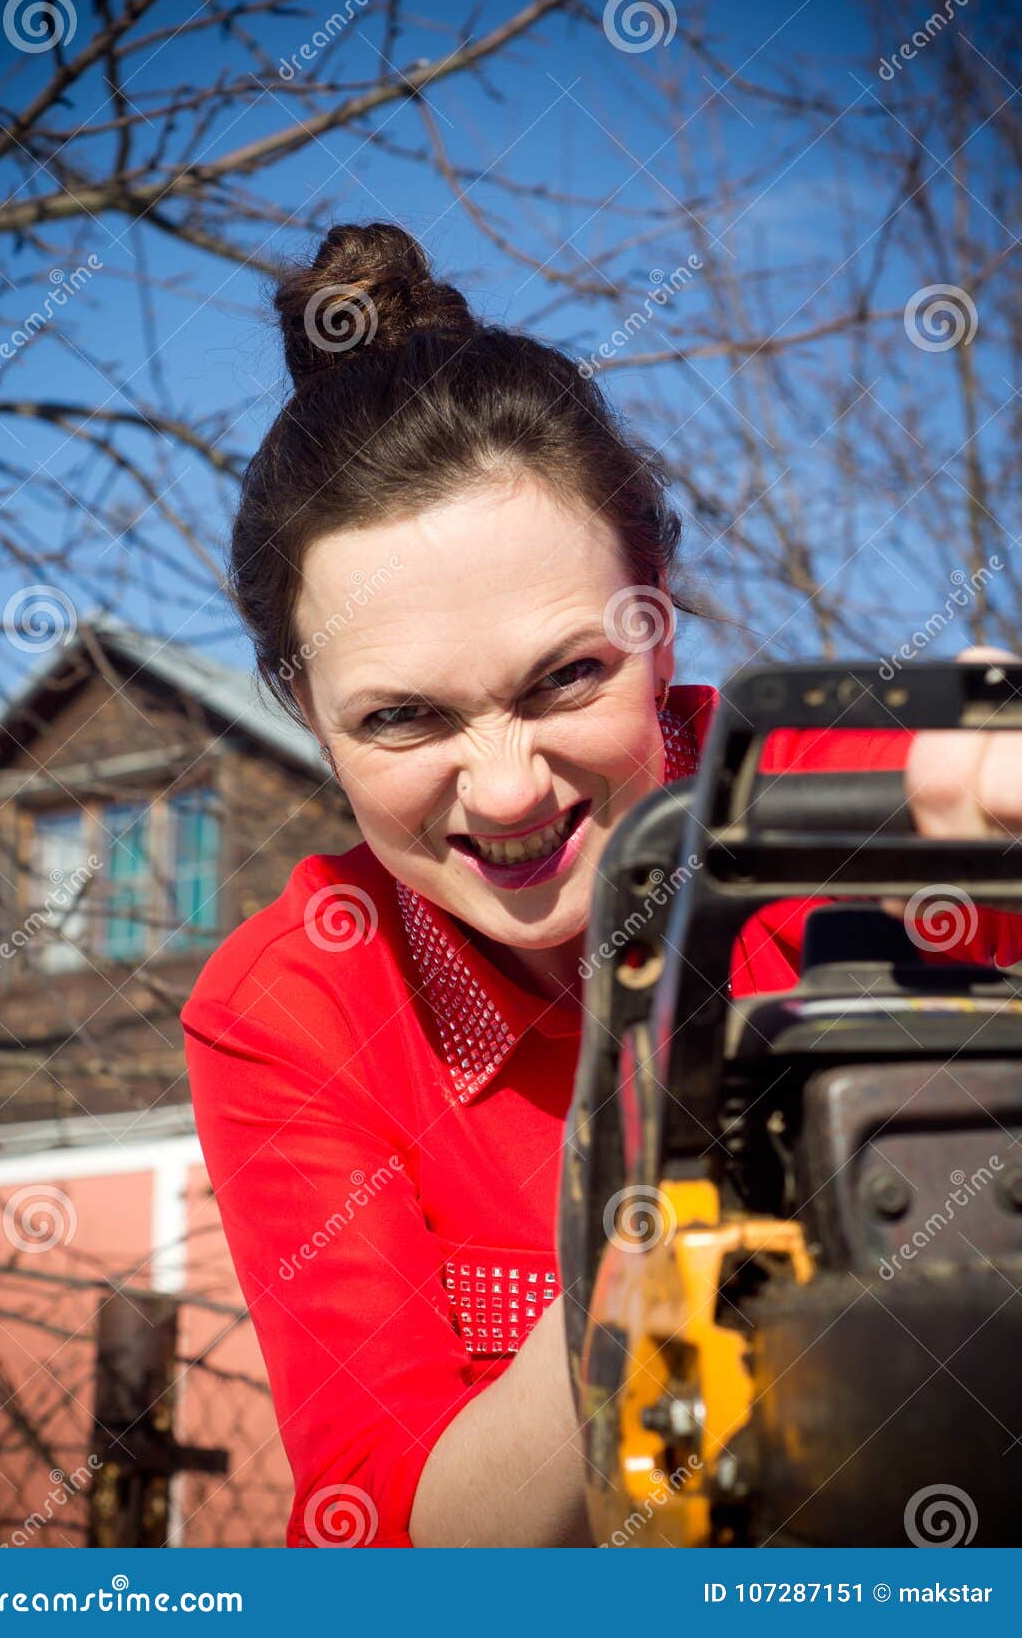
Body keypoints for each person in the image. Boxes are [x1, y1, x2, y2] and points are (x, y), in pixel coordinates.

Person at [180, 221, 1022, 1550]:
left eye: (567, 677)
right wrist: (635, 1225)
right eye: (405, 718)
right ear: (303, 707)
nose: (509, 790)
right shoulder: (297, 1006)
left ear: (658, 610)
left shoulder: (827, 795)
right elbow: (407, 1537)